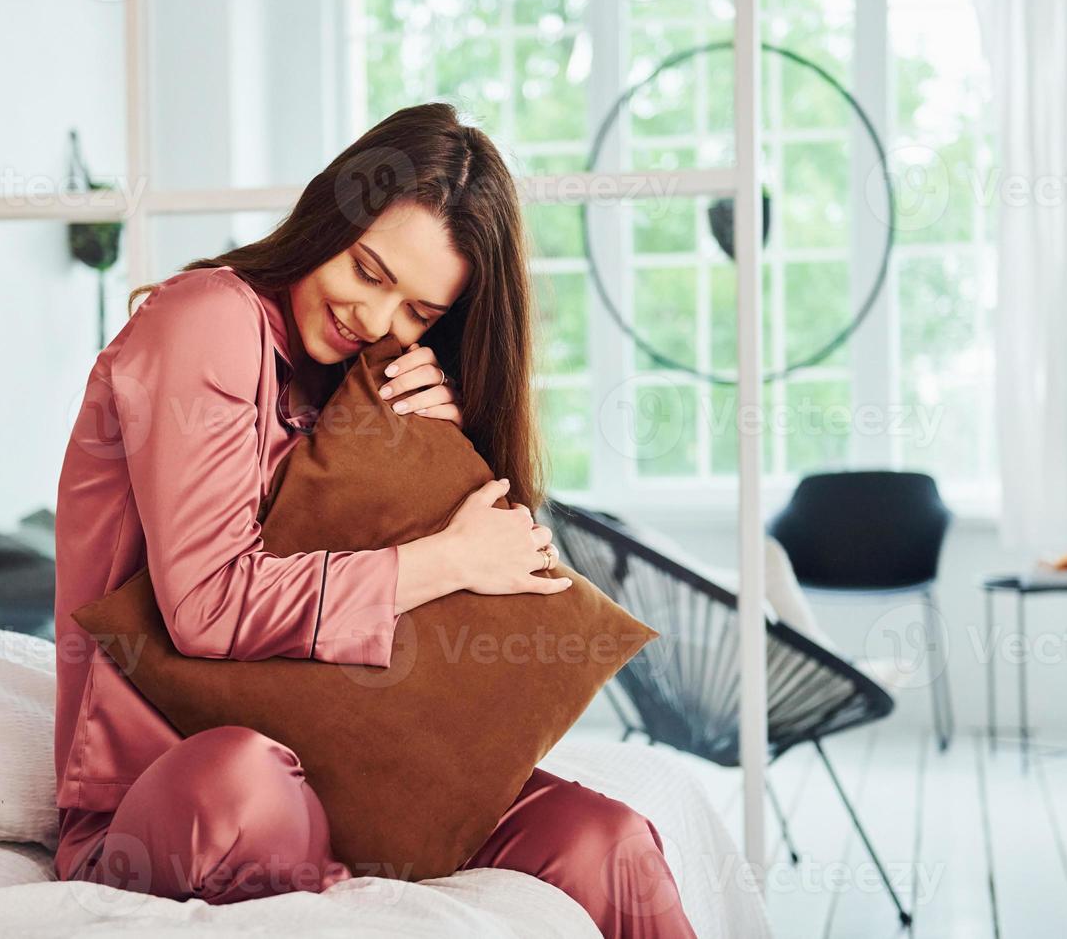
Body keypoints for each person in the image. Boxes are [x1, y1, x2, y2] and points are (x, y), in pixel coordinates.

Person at [52, 101, 697, 938]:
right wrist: (448, 557)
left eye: (420, 313)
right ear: (329, 215)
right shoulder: (207, 318)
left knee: (606, 842)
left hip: (371, 771)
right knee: (241, 785)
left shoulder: (365, 374)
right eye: (368, 270)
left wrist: (429, 437)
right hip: (168, 773)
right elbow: (207, 605)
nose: (376, 319)